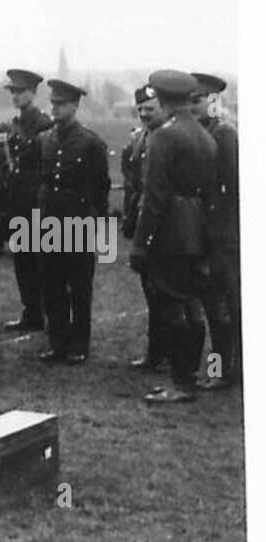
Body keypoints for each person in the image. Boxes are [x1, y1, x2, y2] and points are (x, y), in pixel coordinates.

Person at [130, 70, 217, 404]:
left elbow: (154, 198)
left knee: (170, 305)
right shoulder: (204, 136)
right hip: (197, 230)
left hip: (170, 232)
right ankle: (190, 377)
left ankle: (180, 383)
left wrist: (141, 244)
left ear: (163, 99)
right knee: (193, 305)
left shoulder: (164, 138)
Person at [35, 80, 110, 366]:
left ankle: (79, 343)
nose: (55, 109)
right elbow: (41, 181)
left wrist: (99, 232)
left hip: (78, 223)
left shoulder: (91, 143)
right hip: (48, 222)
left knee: (79, 286)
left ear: (75, 106)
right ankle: (58, 341)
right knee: (51, 284)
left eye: (62, 104)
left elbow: (100, 189)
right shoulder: (45, 140)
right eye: (53, 103)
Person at [0, 70, 55, 332]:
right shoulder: (16, 123)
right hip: (19, 197)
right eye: (13, 92)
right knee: (22, 258)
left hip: (35, 198)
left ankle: (43, 312)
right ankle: (30, 311)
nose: (16, 96)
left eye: (20, 92)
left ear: (33, 93)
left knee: (39, 260)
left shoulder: (42, 124)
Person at [192, 72, 239, 391]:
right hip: (208, 236)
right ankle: (219, 369)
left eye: (198, 101)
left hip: (223, 238)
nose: (193, 107)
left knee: (225, 310)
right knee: (215, 309)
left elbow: (230, 189)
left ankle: (223, 371)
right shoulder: (204, 133)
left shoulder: (223, 134)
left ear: (213, 101)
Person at [121, 84, 167, 372]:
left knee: (169, 294)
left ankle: (174, 354)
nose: (144, 114)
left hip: (164, 226)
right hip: (142, 221)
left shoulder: (167, 139)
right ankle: (156, 352)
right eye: (140, 109)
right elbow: (131, 184)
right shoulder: (138, 141)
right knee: (151, 291)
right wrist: (129, 219)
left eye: (150, 109)